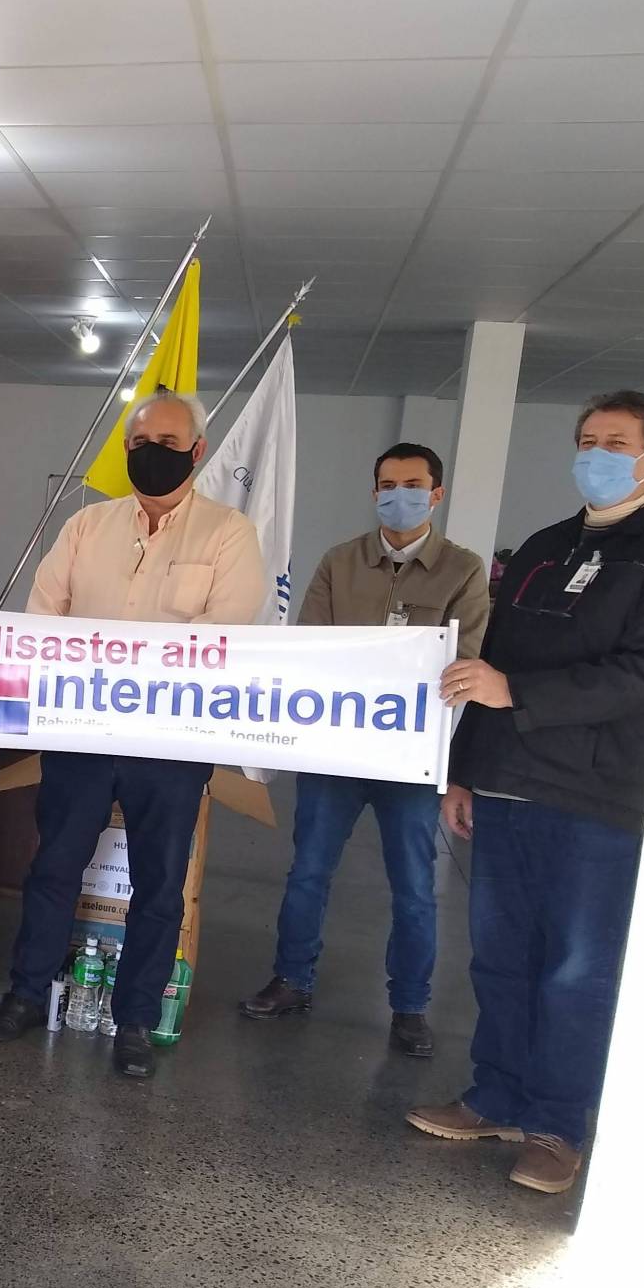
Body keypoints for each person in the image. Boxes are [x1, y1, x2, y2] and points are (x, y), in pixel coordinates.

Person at [411, 390, 644, 1195]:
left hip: (598, 795)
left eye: (616, 442)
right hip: (506, 785)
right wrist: (465, 769)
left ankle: (558, 1125)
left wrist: (519, 697)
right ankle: (497, 1095)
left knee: (575, 970)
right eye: (587, 440)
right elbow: (490, 664)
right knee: (499, 957)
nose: (597, 455)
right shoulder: (544, 545)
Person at [0, 388, 265, 1077]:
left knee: (160, 886)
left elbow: (226, 631)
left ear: (197, 451)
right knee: (53, 868)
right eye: (139, 444)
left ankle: (135, 1018)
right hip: (82, 734)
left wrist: (127, 663)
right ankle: (26, 993)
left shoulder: (228, 533)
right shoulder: (87, 525)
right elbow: (44, 614)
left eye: (167, 445)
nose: (151, 455)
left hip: (170, 744)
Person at [240, 444, 491, 1056]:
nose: (398, 495)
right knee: (308, 872)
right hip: (335, 751)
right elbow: (313, 649)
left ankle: (410, 1005)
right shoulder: (340, 561)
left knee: (414, 887)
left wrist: (376, 671)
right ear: (374, 491)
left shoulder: (462, 570)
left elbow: (463, 664)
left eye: (412, 485)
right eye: (387, 484)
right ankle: (292, 979)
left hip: (409, 758)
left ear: (436, 494)